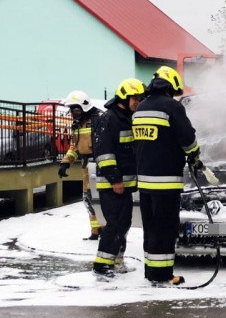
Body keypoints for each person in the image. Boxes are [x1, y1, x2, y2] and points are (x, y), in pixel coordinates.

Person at [133, 66, 206, 286]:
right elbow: (187, 138)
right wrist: (194, 156)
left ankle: (151, 272)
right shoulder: (172, 107)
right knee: (166, 229)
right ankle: (164, 275)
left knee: (151, 228)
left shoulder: (140, 108)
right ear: (171, 87)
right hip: (166, 182)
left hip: (144, 182)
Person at [92, 78, 145, 279]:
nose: (137, 102)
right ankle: (102, 265)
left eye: (139, 98)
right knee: (114, 224)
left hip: (124, 184)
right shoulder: (110, 119)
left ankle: (116, 261)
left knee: (123, 223)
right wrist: (115, 179)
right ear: (124, 97)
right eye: (135, 98)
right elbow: (104, 153)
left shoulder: (126, 117)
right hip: (113, 184)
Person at [58, 91, 103, 240]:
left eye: (76, 110)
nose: (73, 113)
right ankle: (95, 232)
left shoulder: (99, 119)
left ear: (84, 107)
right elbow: (74, 147)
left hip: (101, 165)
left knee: (101, 200)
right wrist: (66, 163)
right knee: (88, 199)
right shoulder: (77, 124)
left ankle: (107, 231)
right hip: (86, 167)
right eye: (72, 110)